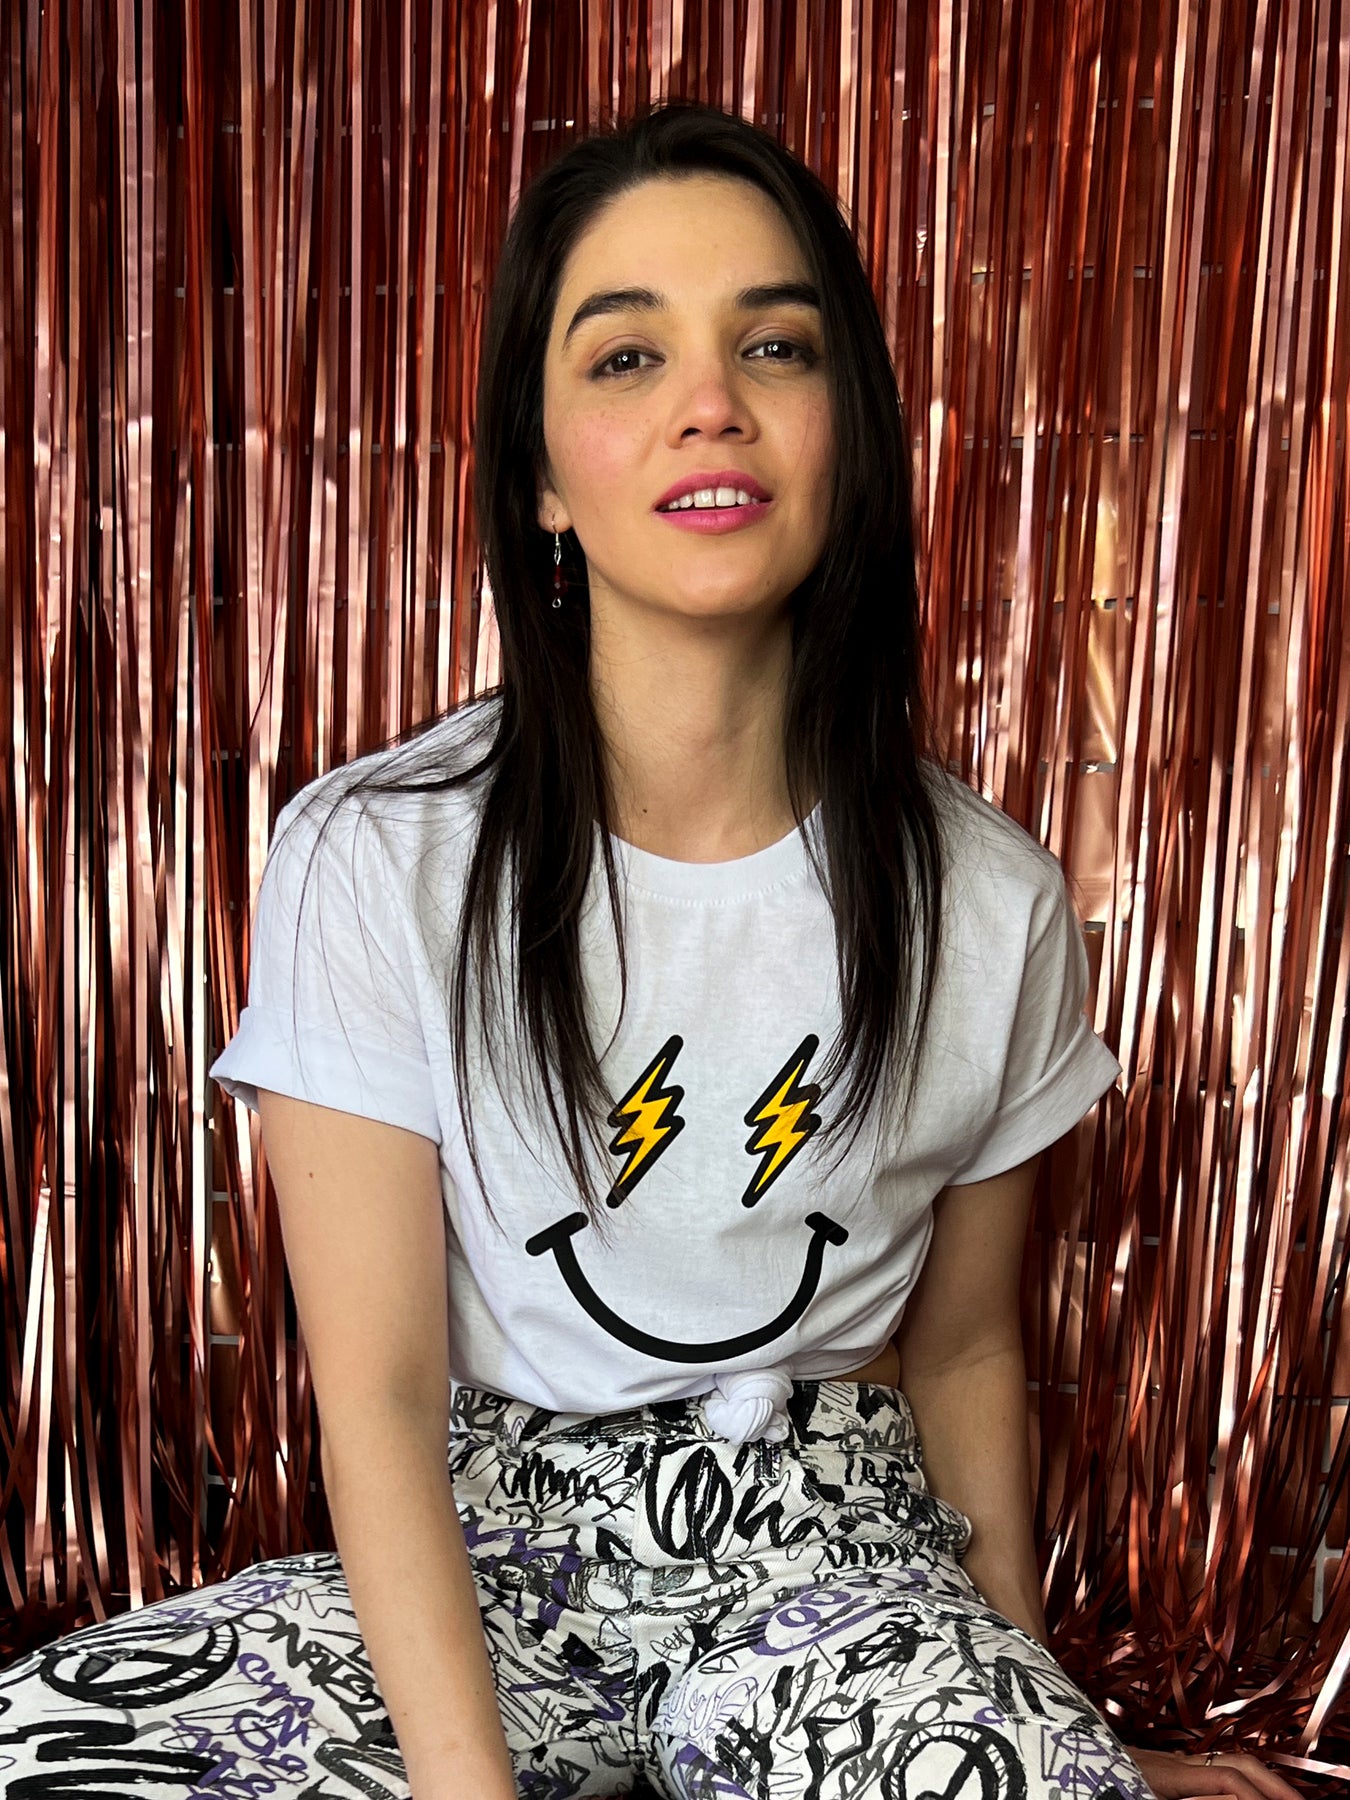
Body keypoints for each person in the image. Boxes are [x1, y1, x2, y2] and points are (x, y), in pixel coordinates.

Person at [0, 100, 1300, 1800]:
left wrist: (1034, 1726)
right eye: (627, 356)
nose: (710, 402)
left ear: (847, 434)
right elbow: (376, 1395)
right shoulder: (377, 854)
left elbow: (968, 1349)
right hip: (488, 1562)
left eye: (774, 344)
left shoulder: (988, 898)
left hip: (835, 1567)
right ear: (540, 473)